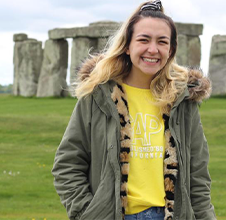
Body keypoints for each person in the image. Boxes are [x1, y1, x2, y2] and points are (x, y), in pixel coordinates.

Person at [52, 0, 216, 219]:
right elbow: (67, 164)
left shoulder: (183, 101)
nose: (153, 49)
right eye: (143, 39)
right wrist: (88, 213)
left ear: (171, 49)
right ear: (127, 46)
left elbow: (198, 176)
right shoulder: (98, 96)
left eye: (162, 41)